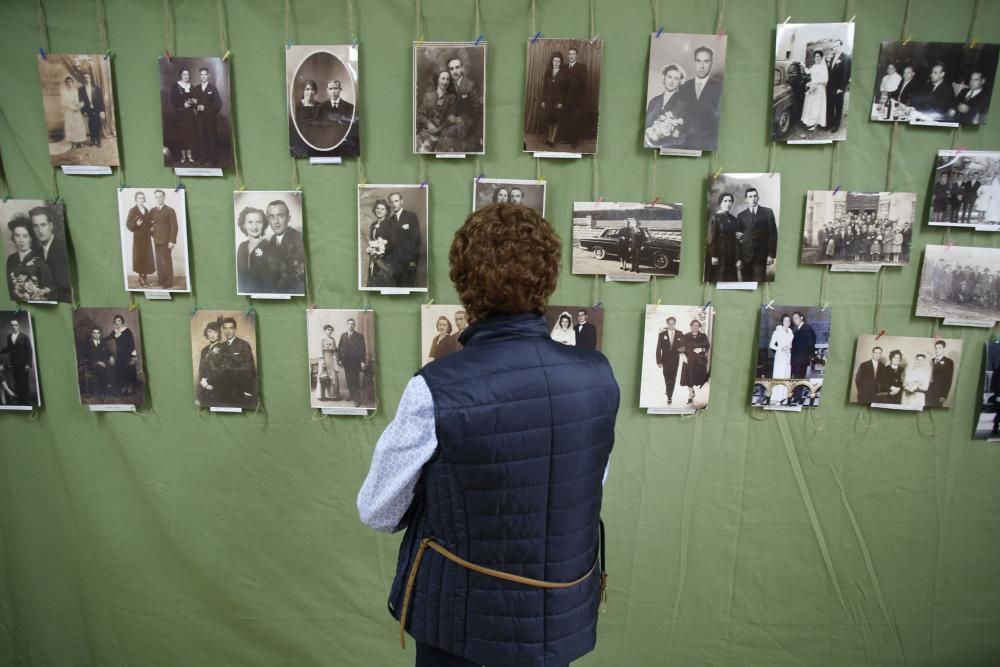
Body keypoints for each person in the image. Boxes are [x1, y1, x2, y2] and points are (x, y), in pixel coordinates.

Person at [357, 202, 617, 667]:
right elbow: (582, 487)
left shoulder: (436, 388)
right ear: (548, 278)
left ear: (463, 283)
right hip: (556, 622)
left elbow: (378, 510)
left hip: (460, 628)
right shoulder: (597, 377)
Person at [675, 45, 723, 150]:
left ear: (711, 63)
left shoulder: (720, 87)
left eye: (706, 61)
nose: (702, 66)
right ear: (694, 62)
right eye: (698, 61)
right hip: (684, 145)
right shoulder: (683, 88)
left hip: (708, 145)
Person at [6, 217, 54, 302]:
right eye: (17, 236)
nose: (21, 240)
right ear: (13, 238)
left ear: (31, 238)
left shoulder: (39, 259)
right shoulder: (11, 259)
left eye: (25, 236)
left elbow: (51, 287)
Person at [30, 205, 71, 302]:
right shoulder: (36, 254)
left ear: (51, 226)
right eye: (36, 226)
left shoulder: (64, 248)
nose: (40, 231)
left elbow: (67, 283)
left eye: (43, 225)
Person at [736, 187, 778, 282]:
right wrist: (738, 258)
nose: (753, 198)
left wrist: (771, 255)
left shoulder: (768, 212)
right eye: (750, 197)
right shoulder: (741, 216)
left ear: (758, 197)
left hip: (761, 256)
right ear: (746, 199)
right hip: (745, 257)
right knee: (746, 284)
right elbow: (737, 239)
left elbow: (773, 234)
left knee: (758, 284)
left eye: (755, 196)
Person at [215, 317, 257, 408]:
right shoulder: (220, 346)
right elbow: (216, 367)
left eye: (231, 328)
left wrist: (228, 369)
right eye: (225, 328)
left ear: (235, 329)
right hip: (222, 391)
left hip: (238, 391)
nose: (228, 331)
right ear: (223, 329)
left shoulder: (243, 345)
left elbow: (248, 368)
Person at [235, 207, 280, 294]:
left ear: (264, 224)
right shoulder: (242, 247)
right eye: (250, 222)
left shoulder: (271, 247)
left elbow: (274, 283)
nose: (254, 227)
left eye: (258, 222)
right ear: (243, 225)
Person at [266, 200, 306, 294]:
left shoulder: (298, 239)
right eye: (272, 217)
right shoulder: (272, 240)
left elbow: (297, 275)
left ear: (289, 218)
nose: (276, 222)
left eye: (280, 216)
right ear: (268, 220)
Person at [644, 64, 687, 148]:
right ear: (664, 78)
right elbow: (647, 124)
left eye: (676, 78)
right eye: (669, 77)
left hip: (672, 147)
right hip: (652, 146)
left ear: (680, 82)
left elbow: (684, 131)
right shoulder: (654, 101)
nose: (672, 81)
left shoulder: (684, 103)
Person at [415, 69, 457, 153]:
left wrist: (437, 130)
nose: (445, 82)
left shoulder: (452, 98)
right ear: (437, 79)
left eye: (448, 79)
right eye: (443, 78)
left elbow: (450, 118)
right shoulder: (428, 96)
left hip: (443, 135)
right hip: (426, 131)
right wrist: (428, 123)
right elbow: (420, 114)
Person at [446, 56, 483, 152]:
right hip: (451, 127)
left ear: (462, 68)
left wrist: (460, 118)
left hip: (469, 128)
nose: (455, 71)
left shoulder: (471, 85)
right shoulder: (448, 86)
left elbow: (477, 109)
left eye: (457, 67)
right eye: (451, 69)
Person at [387, 192, 420, 286]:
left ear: (401, 201)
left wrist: (413, 261)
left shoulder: (411, 217)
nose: (394, 204)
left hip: (408, 263)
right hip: (394, 265)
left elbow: (416, 240)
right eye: (391, 202)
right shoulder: (389, 221)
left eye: (396, 201)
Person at [125, 191, 156, 287]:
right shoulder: (133, 210)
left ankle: (145, 278)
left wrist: (153, 226)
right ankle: (140, 278)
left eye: (142, 198)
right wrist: (136, 224)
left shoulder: (146, 210)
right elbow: (128, 225)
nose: (141, 200)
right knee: (140, 257)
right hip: (138, 239)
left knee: (147, 258)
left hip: (147, 238)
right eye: (139, 198)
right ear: (136, 199)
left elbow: (149, 224)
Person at [707, 192, 740, 282]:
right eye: (725, 201)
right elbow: (711, 238)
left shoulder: (734, 219)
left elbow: (736, 240)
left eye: (730, 201)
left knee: (731, 280)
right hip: (719, 254)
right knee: (720, 279)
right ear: (720, 203)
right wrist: (714, 256)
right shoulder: (715, 218)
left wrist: (738, 258)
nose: (728, 203)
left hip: (731, 255)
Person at [149, 190, 178, 289]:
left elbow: (174, 227)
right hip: (156, 240)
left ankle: (168, 282)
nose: (159, 199)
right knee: (159, 262)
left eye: (160, 196)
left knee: (166, 262)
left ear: (164, 197)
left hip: (166, 242)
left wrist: (172, 241)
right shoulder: (152, 211)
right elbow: (150, 224)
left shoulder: (170, 210)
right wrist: (152, 232)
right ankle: (161, 280)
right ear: (155, 198)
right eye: (157, 197)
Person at [192, 67, 222, 164]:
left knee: (211, 138)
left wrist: (207, 109)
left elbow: (218, 104)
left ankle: (213, 160)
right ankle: (203, 158)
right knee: (201, 138)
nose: (203, 76)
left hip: (210, 119)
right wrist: (197, 105)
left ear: (208, 75)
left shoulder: (213, 88)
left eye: (205, 74)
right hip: (200, 119)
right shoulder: (196, 88)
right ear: (200, 76)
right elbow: (192, 102)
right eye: (202, 74)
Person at [316, 79, 356, 150]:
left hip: (344, 144)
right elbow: (318, 128)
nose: (333, 91)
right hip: (326, 143)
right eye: (331, 89)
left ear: (340, 89)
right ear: (327, 90)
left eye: (335, 88)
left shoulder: (350, 107)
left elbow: (352, 128)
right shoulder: (321, 107)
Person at [169, 67, 198, 164]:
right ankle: (183, 156)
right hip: (180, 114)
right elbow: (173, 101)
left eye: (188, 74)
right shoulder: (175, 86)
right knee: (181, 135)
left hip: (190, 115)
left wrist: (193, 103)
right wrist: (183, 105)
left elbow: (195, 101)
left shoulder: (192, 87)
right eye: (184, 74)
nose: (186, 76)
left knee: (190, 135)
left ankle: (190, 156)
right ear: (181, 75)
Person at [561, 47, 588, 149]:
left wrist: (579, 98)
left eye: (573, 54)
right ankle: (567, 139)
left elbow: (584, 85)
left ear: (577, 55)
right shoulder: (564, 67)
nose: (571, 56)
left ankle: (574, 141)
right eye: (569, 54)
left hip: (577, 100)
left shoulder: (582, 67)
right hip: (565, 99)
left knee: (575, 121)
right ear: (568, 56)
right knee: (566, 120)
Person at [106, 314, 138, 398]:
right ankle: (124, 388)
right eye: (116, 321)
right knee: (121, 372)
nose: (117, 322)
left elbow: (132, 344)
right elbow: (107, 338)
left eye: (119, 320)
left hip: (128, 355)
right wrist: (97, 339)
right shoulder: (114, 332)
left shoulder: (127, 331)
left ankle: (129, 388)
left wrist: (133, 356)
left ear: (122, 321)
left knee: (129, 372)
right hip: (119, 356)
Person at [540, 51, 568, 148]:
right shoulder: (548, 72)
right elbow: (545, 87)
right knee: (548, 119)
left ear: (561, 62)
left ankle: (552, 139)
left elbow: (564, 90)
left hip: (558, 101)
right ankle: (549, 137)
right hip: (548, 100)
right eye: (555, 61)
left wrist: (561, 102)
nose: (556, 63)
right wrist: (543, 100)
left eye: (558, 61)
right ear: (552, 61)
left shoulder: (563, 73)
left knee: (556, 120)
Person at [1, 318, 32, 405]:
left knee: (24, 382)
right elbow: (9, 349)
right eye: (12, 325)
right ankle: (19, 399)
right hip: (14, 363)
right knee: (17, 381)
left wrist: (28, 364)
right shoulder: (9, 337)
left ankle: (26, 400)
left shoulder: (24, 337)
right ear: (11, 327)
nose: (14, 327)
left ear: (18, 326)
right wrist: (1, 351)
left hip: (23, 364)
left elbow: (29, 351)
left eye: (15, 325)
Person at [78, 326, 113, 401]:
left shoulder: (103, 343)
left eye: (98, 333)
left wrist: (111, 357)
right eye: (94, 333)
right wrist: (98, 362)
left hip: (104, 363)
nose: (96, 335)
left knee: (115, 365)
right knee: (100, 370)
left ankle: (112, 388)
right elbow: (87, 356)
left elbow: (108, 352)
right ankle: (103, 393)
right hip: (92, 365)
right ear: (92, 334)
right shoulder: (88, 344)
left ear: (100, 334)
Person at [680, 319, 710, 405]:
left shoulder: (703, 336)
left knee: (697, 377)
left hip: (699, 360)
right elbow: (681, 346)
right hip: (688, 359)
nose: (695, 327)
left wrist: (701, 349)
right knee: (689, 377)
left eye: (697, 325)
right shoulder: (686, 336)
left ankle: (692, 390)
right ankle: (690, 394)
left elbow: (707, 346)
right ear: (691, 326)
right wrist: (682, 356)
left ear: (699, 327)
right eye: (693, 325)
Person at [338, 318, 366, 407]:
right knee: (348, 379)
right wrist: (339, 359)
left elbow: (362, 350)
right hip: (346, 362)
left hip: (355, 362)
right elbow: (339, 348)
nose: (351, 325)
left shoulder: (359, 336)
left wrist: (362, 361)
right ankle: (351, 395)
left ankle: (356, 399)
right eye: (349, 324)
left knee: (355, 380)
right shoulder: (343, 336)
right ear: (347, 325)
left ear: (354, 325)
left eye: (352, 324)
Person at [656, 315, 684, 405]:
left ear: (675, 324)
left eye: (673, 323)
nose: (671, 325)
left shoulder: (680, 333)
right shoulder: (662, 334)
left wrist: (681, 350)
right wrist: (659, 361)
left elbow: (683, 346)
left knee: (673, 378)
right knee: (666, 377)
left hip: (675, 360)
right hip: (665, 360)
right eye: (669, 323)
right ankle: (668, 389)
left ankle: (669, 396)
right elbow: (658, 348)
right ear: (667, 324)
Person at [367, 199, 395, 287]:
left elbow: (393, 243)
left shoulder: (390, 224)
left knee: (383, 281)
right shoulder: (373, 225)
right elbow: (372, 240)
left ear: (387, 211)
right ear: (374, 210)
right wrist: (373, 251)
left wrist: (381, 252)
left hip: (385, 259)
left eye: (382, 209)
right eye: (378, 208)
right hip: (374, 258)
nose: (379, 211)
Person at [826, 40, 851, 133]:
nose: (835, 48)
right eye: (833, 47)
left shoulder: (846, 58)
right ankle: (829, 123)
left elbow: (846, 74)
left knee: (838, 107)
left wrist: (841, 88)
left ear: (841, 46)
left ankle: (836, 125)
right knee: (830, 106)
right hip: (830, 88)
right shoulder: (832, 58)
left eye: (836, 46)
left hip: (838, 89)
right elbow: (830, 73)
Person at [800, 50, 828, 132]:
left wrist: (816, 83)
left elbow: (825, 79)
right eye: (816, 57)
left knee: (816, 106)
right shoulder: (815, 66)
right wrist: (803, 66)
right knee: (810, 105)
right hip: (813, 87)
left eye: (819, 56)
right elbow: (808, 72)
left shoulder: (823, 67)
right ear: (814, 58)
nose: (817, 58)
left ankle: (815, 122)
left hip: (819, 89)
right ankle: (809, 121)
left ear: (822, 57)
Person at [768, 315, 793, 405]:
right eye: (786, 321)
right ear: (782, 321)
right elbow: (771, 345)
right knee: (779, 376)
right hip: (780, 357)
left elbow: (790, 344)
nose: (787, 322)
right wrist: (781, 348)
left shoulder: (790, 331)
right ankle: (777, 397)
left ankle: (784, 396)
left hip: (788, 356)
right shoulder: (777, 331)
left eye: (789, 321)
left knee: (786, 376)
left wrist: (789, 348)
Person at [196, 320, 222, 406]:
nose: (212, 335)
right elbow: (201, 369)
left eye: (215, 332)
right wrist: (202, 381)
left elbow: (222, 370)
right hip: (204, 387)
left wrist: (209, 383)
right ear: (206, 333)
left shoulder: (223, 348)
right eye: (210, 332)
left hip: (217, 387)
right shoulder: (204, 350)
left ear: (219, 334)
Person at [78, 72, 106, 147]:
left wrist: (102, 111)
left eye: (88, 77)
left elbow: (101, 100)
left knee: (98, 125)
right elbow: (80, 101)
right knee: (91, 125)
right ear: (83, 79)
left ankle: (99, 141)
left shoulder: (97, 88)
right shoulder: (81, 90)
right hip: (88, 109)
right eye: (85, 78)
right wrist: (83, 111)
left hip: (97, 109)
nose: (86, 79)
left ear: (90, 79)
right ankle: (93, 140)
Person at [60, 76, 87, 149]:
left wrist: (78, 106)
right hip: (69, 111)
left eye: (70, 82)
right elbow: (63, 103)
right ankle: (73, 142)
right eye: (67, 82)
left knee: (78, 126)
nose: (69, 83)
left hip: (76, 110)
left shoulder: (76, 91)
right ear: (65, 83)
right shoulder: (63, 92)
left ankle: (80, 141)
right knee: (71, 126)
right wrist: (71, 107)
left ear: (72, 83)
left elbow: (78, 100)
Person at [926, 340, 954, 407]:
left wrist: (944, 395)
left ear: (944, 349)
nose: (937, 350)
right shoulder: (931, 360)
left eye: (939, 348)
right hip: (928, 392)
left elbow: (948, 380)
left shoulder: (949, 362)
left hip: (939, 394)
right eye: (936, 348)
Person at [318, 324, 341, 401]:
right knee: (324, 376)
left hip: (332, 359)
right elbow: (320, 350)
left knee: (333, 376)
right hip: (325, 358)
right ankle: (322, 395)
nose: (330, 331)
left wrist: (336, 357)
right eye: (328, 330)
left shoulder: (333, 339)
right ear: (325, 330)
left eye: (331, 330)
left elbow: (335, 349)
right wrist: (322, 361)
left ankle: (332, 395)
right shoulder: (322, 339)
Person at [789, 311, 816, 378]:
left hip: (801, 361)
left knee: (798, 381)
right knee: (797, 381)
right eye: (793, 319)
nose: (795, 320)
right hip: (798, 360)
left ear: (801, 318)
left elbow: (811, 343)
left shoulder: (807, 328)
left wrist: (809, 355)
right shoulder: (798, 329)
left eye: (796, 318)